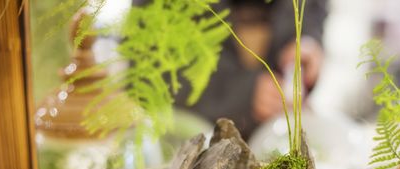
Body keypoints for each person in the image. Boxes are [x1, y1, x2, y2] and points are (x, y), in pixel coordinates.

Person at [133, 0, 329, 139]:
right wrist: (241, 93)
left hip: (277, 133)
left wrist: (307, 39)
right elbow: (146, 69)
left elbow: (313, 7)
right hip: (192, 143)